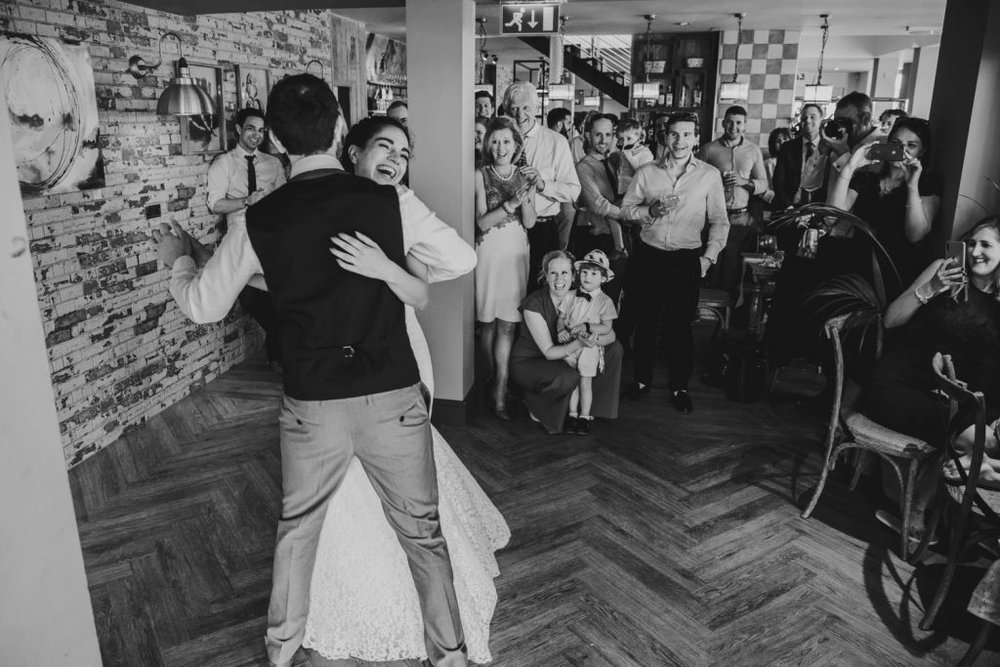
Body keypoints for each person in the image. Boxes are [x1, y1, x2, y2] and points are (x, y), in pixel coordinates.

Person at [153, 74, 474, 667]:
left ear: (275, 136)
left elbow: (203, 307)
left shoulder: (260, 219)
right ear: (338, 128)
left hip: (312, 403)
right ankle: (449, 657)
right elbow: (462, 257)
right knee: (423, 535)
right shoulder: (390, 202)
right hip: (392, 395)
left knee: (298, 531)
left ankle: (280, 652)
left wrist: (177, 264)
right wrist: (403, 274)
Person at [303, 116, 509, 665]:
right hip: (332, 363)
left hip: (399, 353)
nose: (395, 157)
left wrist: (382, 268)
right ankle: (358, 582)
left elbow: (433, 280)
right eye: (383, 146)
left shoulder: (402, 205)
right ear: (352, 152)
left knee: (400, 472)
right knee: (346, 481)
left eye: (403, 150)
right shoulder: (315, 203)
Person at [864, 216, 1000, 542]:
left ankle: (974, 465)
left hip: (948, 397)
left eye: (988, 246)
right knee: (978, 438)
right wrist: (932, 288)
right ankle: (922, 508)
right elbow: (892, 319)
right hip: (896, 386)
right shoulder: (943, 270)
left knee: (987, 432)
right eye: (974, 243)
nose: (976, 252)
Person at [619, 112, 729, 413]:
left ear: (696, 138)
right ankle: (641, 381)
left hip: (686, 259)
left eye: (686, 134)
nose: (679, 140)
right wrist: (650, 211)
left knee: (680, 327)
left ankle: (679, 386)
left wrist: (708, 258)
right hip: (649, 256)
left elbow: (720, 220)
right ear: (665, 137)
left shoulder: (709, 175)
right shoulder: (646, 172)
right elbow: (626, 210)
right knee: (644, 322)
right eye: (674, 134)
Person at [206, 107, 287, 368]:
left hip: (272, 242)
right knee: (253, 298)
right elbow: (215, 204)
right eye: (251, 128)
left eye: (261, 130)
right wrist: (245, 201)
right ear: (239, 129)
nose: (257, 135)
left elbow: (287, 199)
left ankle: (279, 358)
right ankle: (280, 355)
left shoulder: (272, 164)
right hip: (241, 243)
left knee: (280, 300)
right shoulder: (224, 163)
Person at [510, 250, 623, 435]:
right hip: (533, 360)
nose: (559, 278)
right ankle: (538, 404)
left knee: (615, 349)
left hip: (569, 352)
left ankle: (589, 410)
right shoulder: (534, 304)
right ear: (545, 276)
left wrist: (592, 340)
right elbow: (548, 352)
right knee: (570, 376)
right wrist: (581, 343)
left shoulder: (583, 296)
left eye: (564, 273)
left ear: (573, 275)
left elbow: (610, 336)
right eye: (553, 273)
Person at [827, 117, 940, 290]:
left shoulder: (925, 186)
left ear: (922, 151)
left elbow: (915, 235)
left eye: (911, 145)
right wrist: (851, 166)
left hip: (895, 272)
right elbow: (832, 216)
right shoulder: (866, 179)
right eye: (895, 143)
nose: (901, 150)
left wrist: (912, 185)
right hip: (855, 267)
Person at [474, 116, 536, 420]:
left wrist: (527, 195)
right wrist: (510, 204)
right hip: (489, 251)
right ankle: (489, 377)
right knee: (487, 322)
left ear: (516, 145)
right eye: (495, 141)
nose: (500, 147)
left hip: (516, 252)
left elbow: (531, 222)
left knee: (509, 323)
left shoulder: (525, 176)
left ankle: (501, 387)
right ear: (488, 144)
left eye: (506, 141)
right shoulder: (479, 175)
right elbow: (481, 222)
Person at [502, 81, 581, 283]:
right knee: (509, 290)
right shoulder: (499, 140)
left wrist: (543, 185)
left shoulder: (556, 142)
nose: (520, 115)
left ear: (537, 108)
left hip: (543, 229)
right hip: (506, 227)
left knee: (540, 292)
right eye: (514, 109)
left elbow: (573, 191)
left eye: (526, 108)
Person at [697, 105, 768, 294]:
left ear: (745, 125)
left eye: (738, 123)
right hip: (711, 217)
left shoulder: (753, 151)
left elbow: (763, 185)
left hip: (740, 218)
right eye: (729, 122)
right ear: (723, 123)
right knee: (711, 262)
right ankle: (705, 312)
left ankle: (730, 314)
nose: (733, 126)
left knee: (734, 268)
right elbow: (694, 180)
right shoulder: (709, 149)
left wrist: (744, 181)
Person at [556, 250, 618, 435]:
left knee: (585, 382)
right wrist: (560, 330)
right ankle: (572, 415)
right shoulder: (569, 296)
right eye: (584, 272)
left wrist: (588, 326)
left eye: (594, 273)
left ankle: (584, 416)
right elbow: (561, 318)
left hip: (589, 347)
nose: (587, 277)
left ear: (603, 278)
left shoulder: (605, 301)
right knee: (572, 381)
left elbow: (607, 327)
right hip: (571, 346)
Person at [574, 113, 630, 305]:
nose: (603, 140)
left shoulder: (615, 161)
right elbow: (598, 204)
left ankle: (610, 333)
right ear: (588, 135)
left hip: (619, 234)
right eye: (598, 134)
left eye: (608, 134)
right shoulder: (584, 167)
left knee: (615, 294)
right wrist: (628, 213)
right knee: (594, 296)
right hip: (595, 237)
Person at [771, 103, 830, 211]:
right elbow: (778, 181)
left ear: (822, 120)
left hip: (820, 210)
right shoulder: (787, 147)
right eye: (804, 117)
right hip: (790, 208)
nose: (807, 121)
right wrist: (789, 207)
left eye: (812, 117)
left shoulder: (829, 148)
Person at [761, 127, 792, 206]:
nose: (782, 143)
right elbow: (762, 189)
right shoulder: (768, 164)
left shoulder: (797, 161)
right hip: (775, 204)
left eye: (785, 139)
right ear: (773, 145)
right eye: (778, 141)